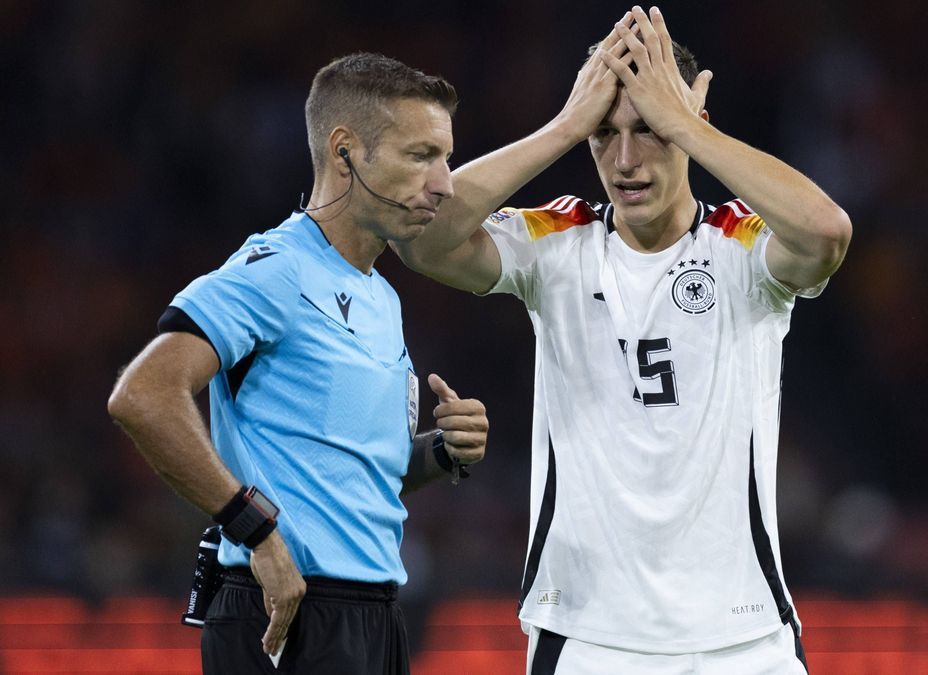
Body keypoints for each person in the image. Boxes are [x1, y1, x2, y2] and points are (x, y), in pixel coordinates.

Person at [393, 6, 851, 674]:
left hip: (745, 638)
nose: (626, 160)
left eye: (650, 132)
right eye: (606, 135)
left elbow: (826, 233)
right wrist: (564, 126)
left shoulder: (740, 245)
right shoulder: (556, 242)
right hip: (590, 638)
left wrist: (689, 127)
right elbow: (420, 236)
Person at [107, 53, 488, 674]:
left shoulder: (382, 296)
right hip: (286, 613)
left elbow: (358, 479)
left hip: (376, 616)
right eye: (421, 156)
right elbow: (144, 394)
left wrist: (441, 452)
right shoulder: (275, 268)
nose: (444, 183)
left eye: (444, 158)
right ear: (345, 153)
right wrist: (254, 530)